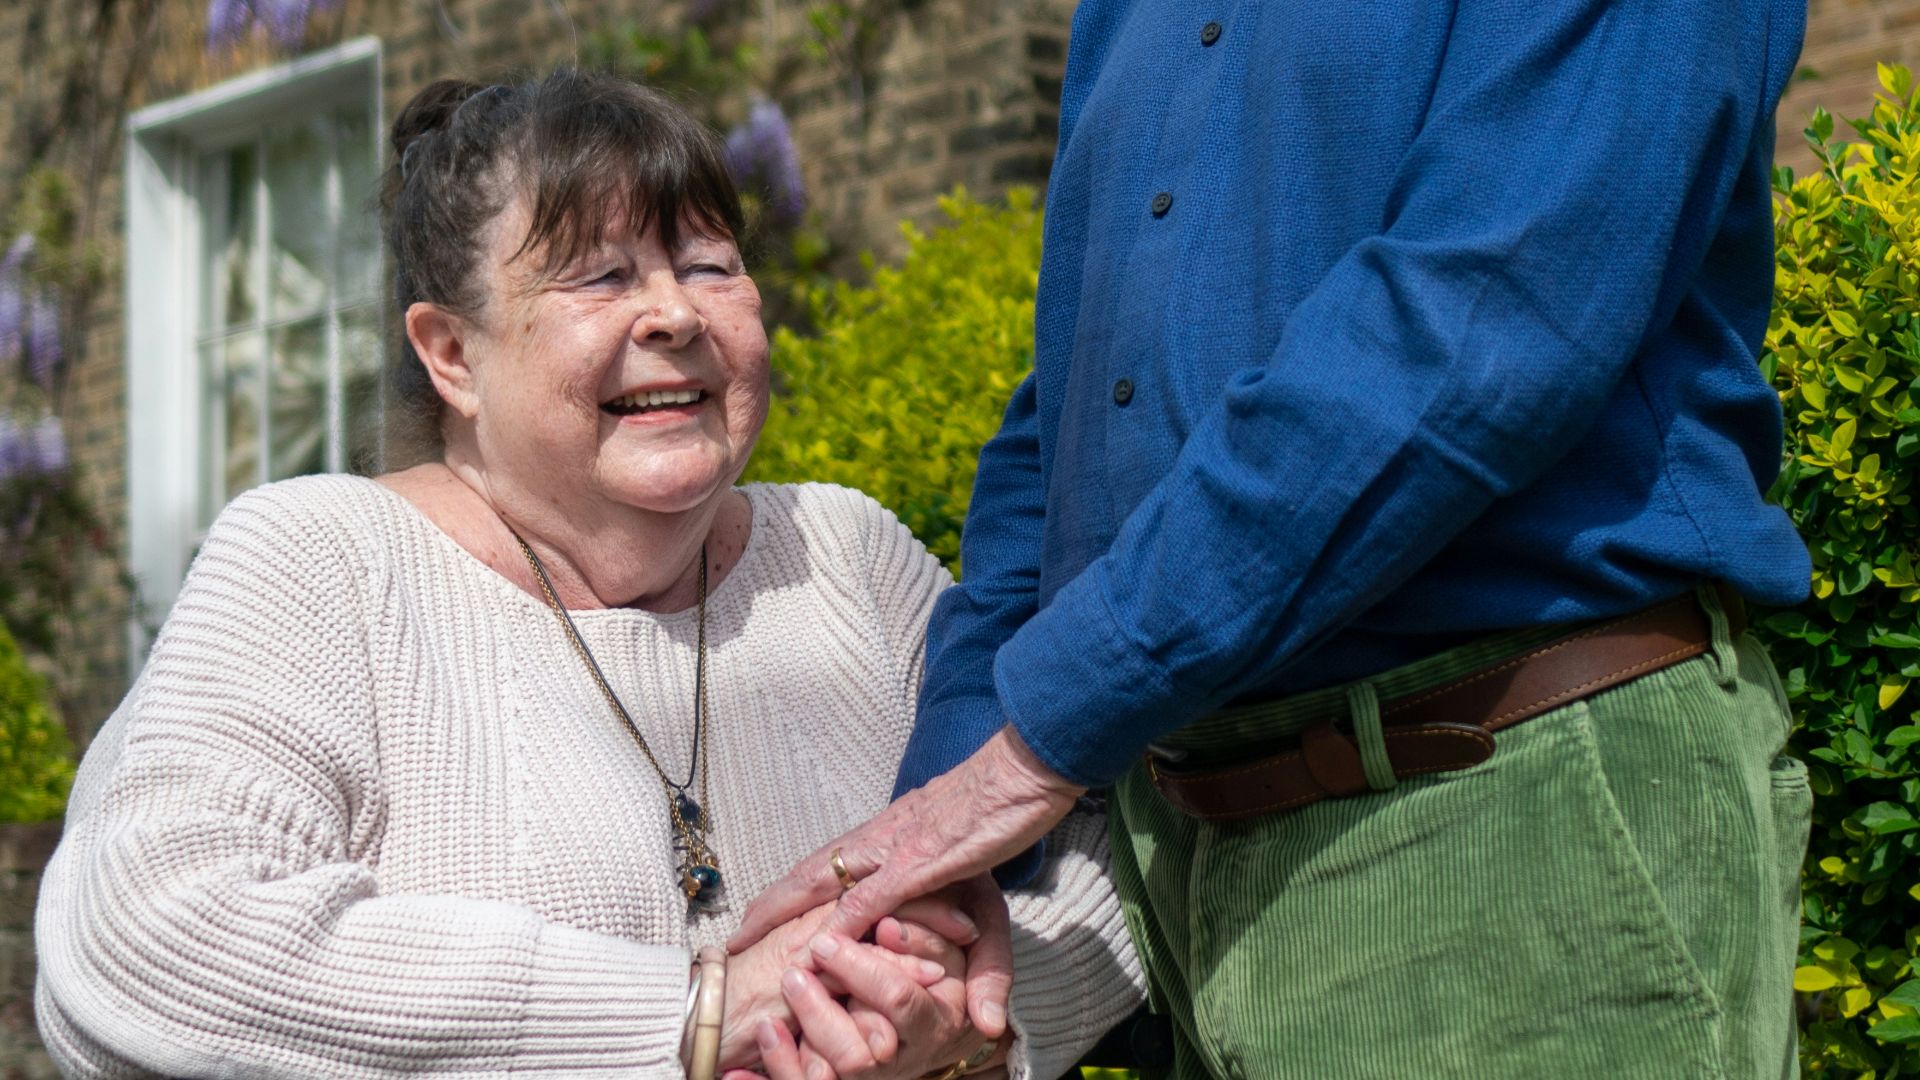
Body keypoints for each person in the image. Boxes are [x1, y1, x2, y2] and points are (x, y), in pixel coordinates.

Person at [733, 0, 1817, 1076]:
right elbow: (1073, 405)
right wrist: (947, 826)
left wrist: (1039, 742)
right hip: (1189, 868)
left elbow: (1479, 327)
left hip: (1512, 820)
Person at [34, 70, 1141, 1079]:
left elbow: (1114, 846)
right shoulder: (324, 560)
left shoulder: (842, 555)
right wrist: (693, 1017)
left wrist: (970, 1021)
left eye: (710, 264)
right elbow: (148, 932)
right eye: (600, 276)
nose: (673, 314)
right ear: (452, 356)